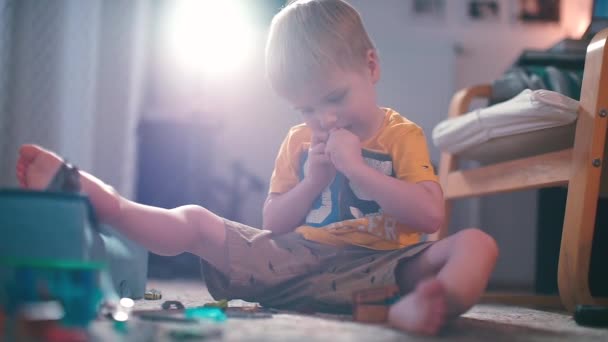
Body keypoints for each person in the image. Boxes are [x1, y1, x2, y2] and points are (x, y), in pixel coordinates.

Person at [15, 0, 498, 335]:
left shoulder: (400, 135)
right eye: (305, 109)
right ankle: (105, 201)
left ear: (371, 67)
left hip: (386, 272)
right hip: (297, 265)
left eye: (334, 97)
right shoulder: (300, 142)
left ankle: (415, 310)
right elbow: (274, 223)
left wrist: (362, 172)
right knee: (199, 221)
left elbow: (430, 216)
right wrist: (313, 182)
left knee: (476, 245)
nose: (323, 118)